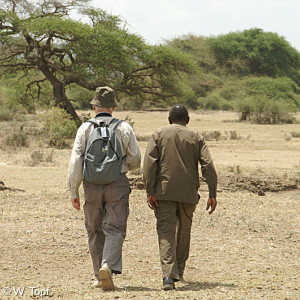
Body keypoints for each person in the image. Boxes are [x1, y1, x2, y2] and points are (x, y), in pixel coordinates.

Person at [68, 86, 141, 291]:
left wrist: (74, 190)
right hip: (117, 183)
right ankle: (107, 265)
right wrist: (120, 165)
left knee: (93, 229)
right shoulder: (124, 127)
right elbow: (136, 160)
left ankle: (99, 276)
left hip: (91, 185)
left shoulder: (85, 128)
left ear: (94, 106)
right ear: (113, 107)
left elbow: (76, 161)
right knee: (115, 227)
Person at [143, 104, 217, 291]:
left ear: (169, 120)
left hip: (164, 192)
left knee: (166, 232)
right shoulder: (196, 137)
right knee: (184, 230)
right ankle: (180, 270)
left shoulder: (158, 134)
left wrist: (149, 191)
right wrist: (212, 193)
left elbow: (149, 166)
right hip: (188, 193)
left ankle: (168, 275)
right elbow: (208, 165)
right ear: (187, 120)